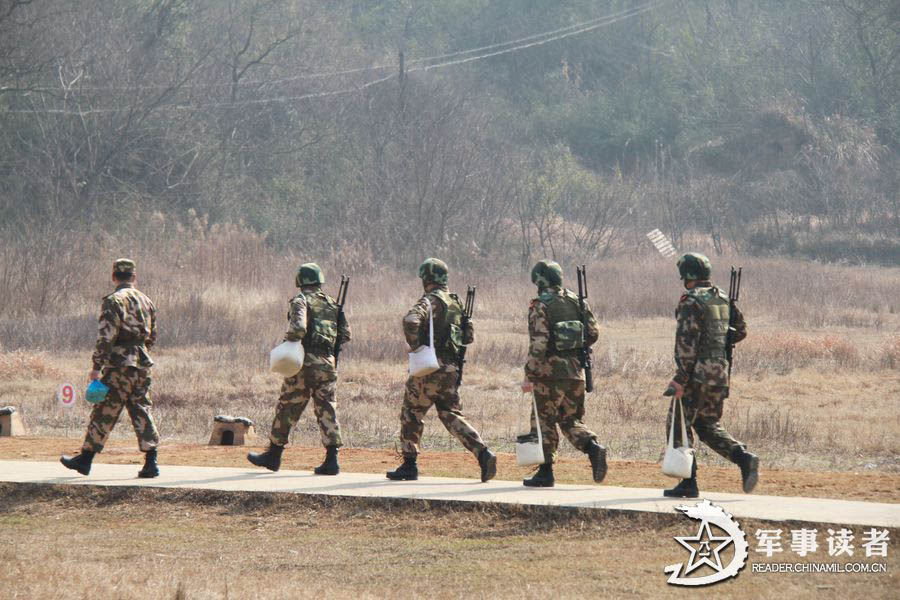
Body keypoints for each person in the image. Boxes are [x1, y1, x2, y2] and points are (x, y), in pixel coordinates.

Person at [386, 258, 497, 482]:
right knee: (451, 415)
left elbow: (410, 320)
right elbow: (468, 336)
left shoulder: (429, 301)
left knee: (411, 413)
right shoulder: (456, 303)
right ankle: (483, 453)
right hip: (451, 369)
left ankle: (409, 464)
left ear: (427, 278)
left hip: (429, 368)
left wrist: (418, 347)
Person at [663, 252, 758, 498]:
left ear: (689, 276)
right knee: (706, 425)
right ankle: (743, 457)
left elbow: (686, 341)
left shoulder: (690, 300)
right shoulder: (723, 298)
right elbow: (740, 332)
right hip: (719, 372)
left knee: (679, 424)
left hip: (695, 374)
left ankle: (688, 482)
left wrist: (681, 378)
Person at [60, 258, 160, 478]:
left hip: (118, 366)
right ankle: (151, 461)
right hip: (142, 365)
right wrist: (140, 354)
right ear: (134, 277)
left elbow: (106, 337)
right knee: (142, 409)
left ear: (114, 277)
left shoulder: (113, 301)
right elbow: (152, 336)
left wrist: (97, 366)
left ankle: (85, 459)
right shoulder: (147, 301)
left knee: (104, 410)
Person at [248, 263, 350, 475]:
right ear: (319, 280)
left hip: (304, 363)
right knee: (327, 409)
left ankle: (273, 455)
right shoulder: (332, 304)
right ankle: (332, 460)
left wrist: (290, 342)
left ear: (300, 281)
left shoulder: (301, 300)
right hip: (328, 363)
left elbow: (298, 327)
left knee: (287, 406)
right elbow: (345, 334)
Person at [521, 260, 607, 488]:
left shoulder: (540, 305)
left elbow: (538, 344)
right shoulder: (576, 301)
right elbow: (593, 333)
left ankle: (545, 472)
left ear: (539, 281)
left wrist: (529, 372)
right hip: (575, 371)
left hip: (548, 375)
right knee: (569, 419)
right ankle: (592, 447)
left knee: (543, 421)